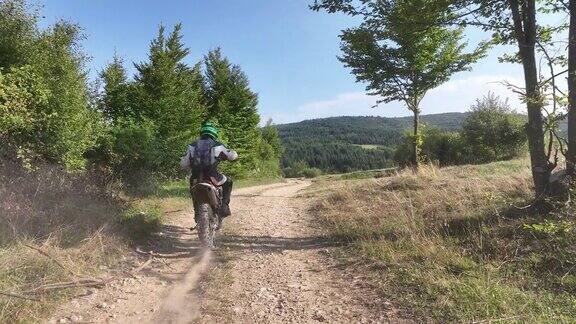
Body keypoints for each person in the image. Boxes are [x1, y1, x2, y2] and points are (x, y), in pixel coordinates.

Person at [180, 121, 238, 219]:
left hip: (196, 177)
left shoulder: (192, 146)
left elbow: (183, 164)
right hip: (213, 176)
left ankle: (197, 212)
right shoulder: (218, 145)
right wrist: (233, 154)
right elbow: (232, 157)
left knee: (192, 189)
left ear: (202, 132)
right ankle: (224, 207)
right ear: (214, 133)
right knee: (228, 182)